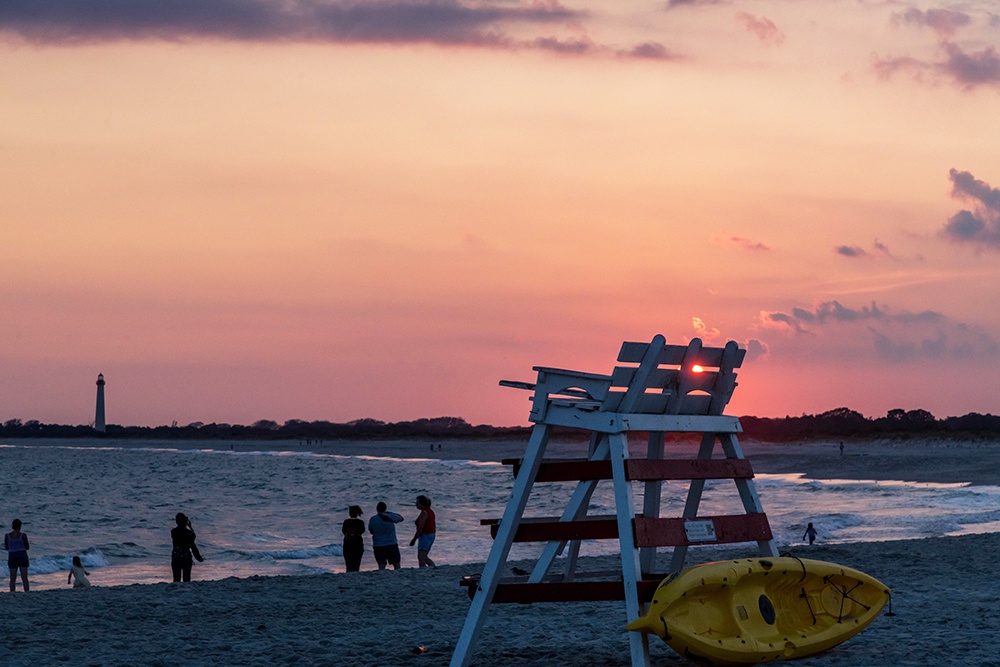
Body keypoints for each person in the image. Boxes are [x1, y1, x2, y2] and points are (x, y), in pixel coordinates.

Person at [368, 501, 404, 570]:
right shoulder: (391, 516)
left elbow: (371, 531)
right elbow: (401, 518)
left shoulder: (373, 519)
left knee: (381, 565)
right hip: (391, 543)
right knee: (396, 564)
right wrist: (390, 513)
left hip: (378, 544)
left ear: (377, 509)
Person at [171, 512, 204, 582]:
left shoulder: (173, 531)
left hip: (176, 557)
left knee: (176, 579)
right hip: (186, 557)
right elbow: (193, 537)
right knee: (187, 579)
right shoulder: (188, 533)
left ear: (176, 521)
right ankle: (198, 557)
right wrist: (190, 526)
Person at [410, 495, 436, 568]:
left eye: (417, 502)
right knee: (424, 556)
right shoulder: (429, 511)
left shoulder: (424, 513)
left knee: (421, 557)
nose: (416, 504)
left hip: (426, 535)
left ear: (421, 503)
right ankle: (433, 567)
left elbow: (421, 527)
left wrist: (414, 539)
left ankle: (423, 569)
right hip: (429, 534)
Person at [4, 519, 29, 592]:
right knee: (24, 578)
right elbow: (27, 547)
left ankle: (12, 592)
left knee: (12, 578)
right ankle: (26, 591)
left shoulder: (7, 536)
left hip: (12, 556)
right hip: (22, 556)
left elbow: (6, 547)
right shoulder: (23, 535)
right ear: (20, 526)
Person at [342, 505, 365, 572]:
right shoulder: (361, 522)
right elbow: (362, 531)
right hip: (358, 544)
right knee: (357, 563)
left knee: (348, 564)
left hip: (348, 544)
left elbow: (343, 531)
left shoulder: (346, 522)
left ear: (350, 513)